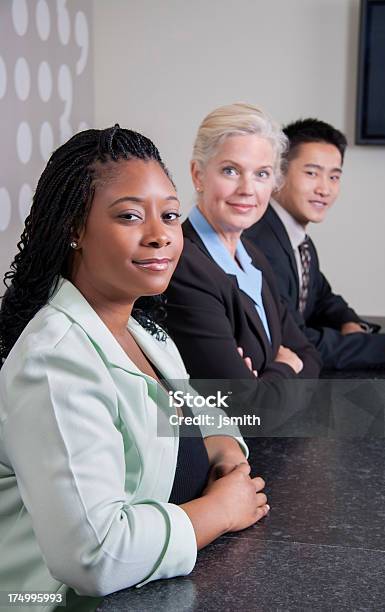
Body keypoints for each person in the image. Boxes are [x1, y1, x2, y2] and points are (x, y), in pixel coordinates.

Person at [0, 126, 269, 610]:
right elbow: (96, 555)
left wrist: (225, 449)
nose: (160, 235)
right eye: (129, 216)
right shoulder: (54, 361)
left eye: (169, 214)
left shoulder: (145, 333)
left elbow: (205, 416)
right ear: (74, 229)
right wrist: (220, 511)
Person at [164, 104, 321, 432]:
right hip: (213, 462)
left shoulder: (254, 256)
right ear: (198, 174)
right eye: (231, 170)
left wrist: (267, 382)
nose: (248, 189)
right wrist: (285, 367)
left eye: (262, 174)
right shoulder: (183, 264)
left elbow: (309, 354)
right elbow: (246, 411)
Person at [245, 118, 385, 370]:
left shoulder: (298, 240)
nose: (325, 188)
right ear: (278, 174)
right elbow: (295, 341)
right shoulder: (259, 242)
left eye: (334, 177)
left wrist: (350, 322)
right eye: (312, 173)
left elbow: (321, 297)